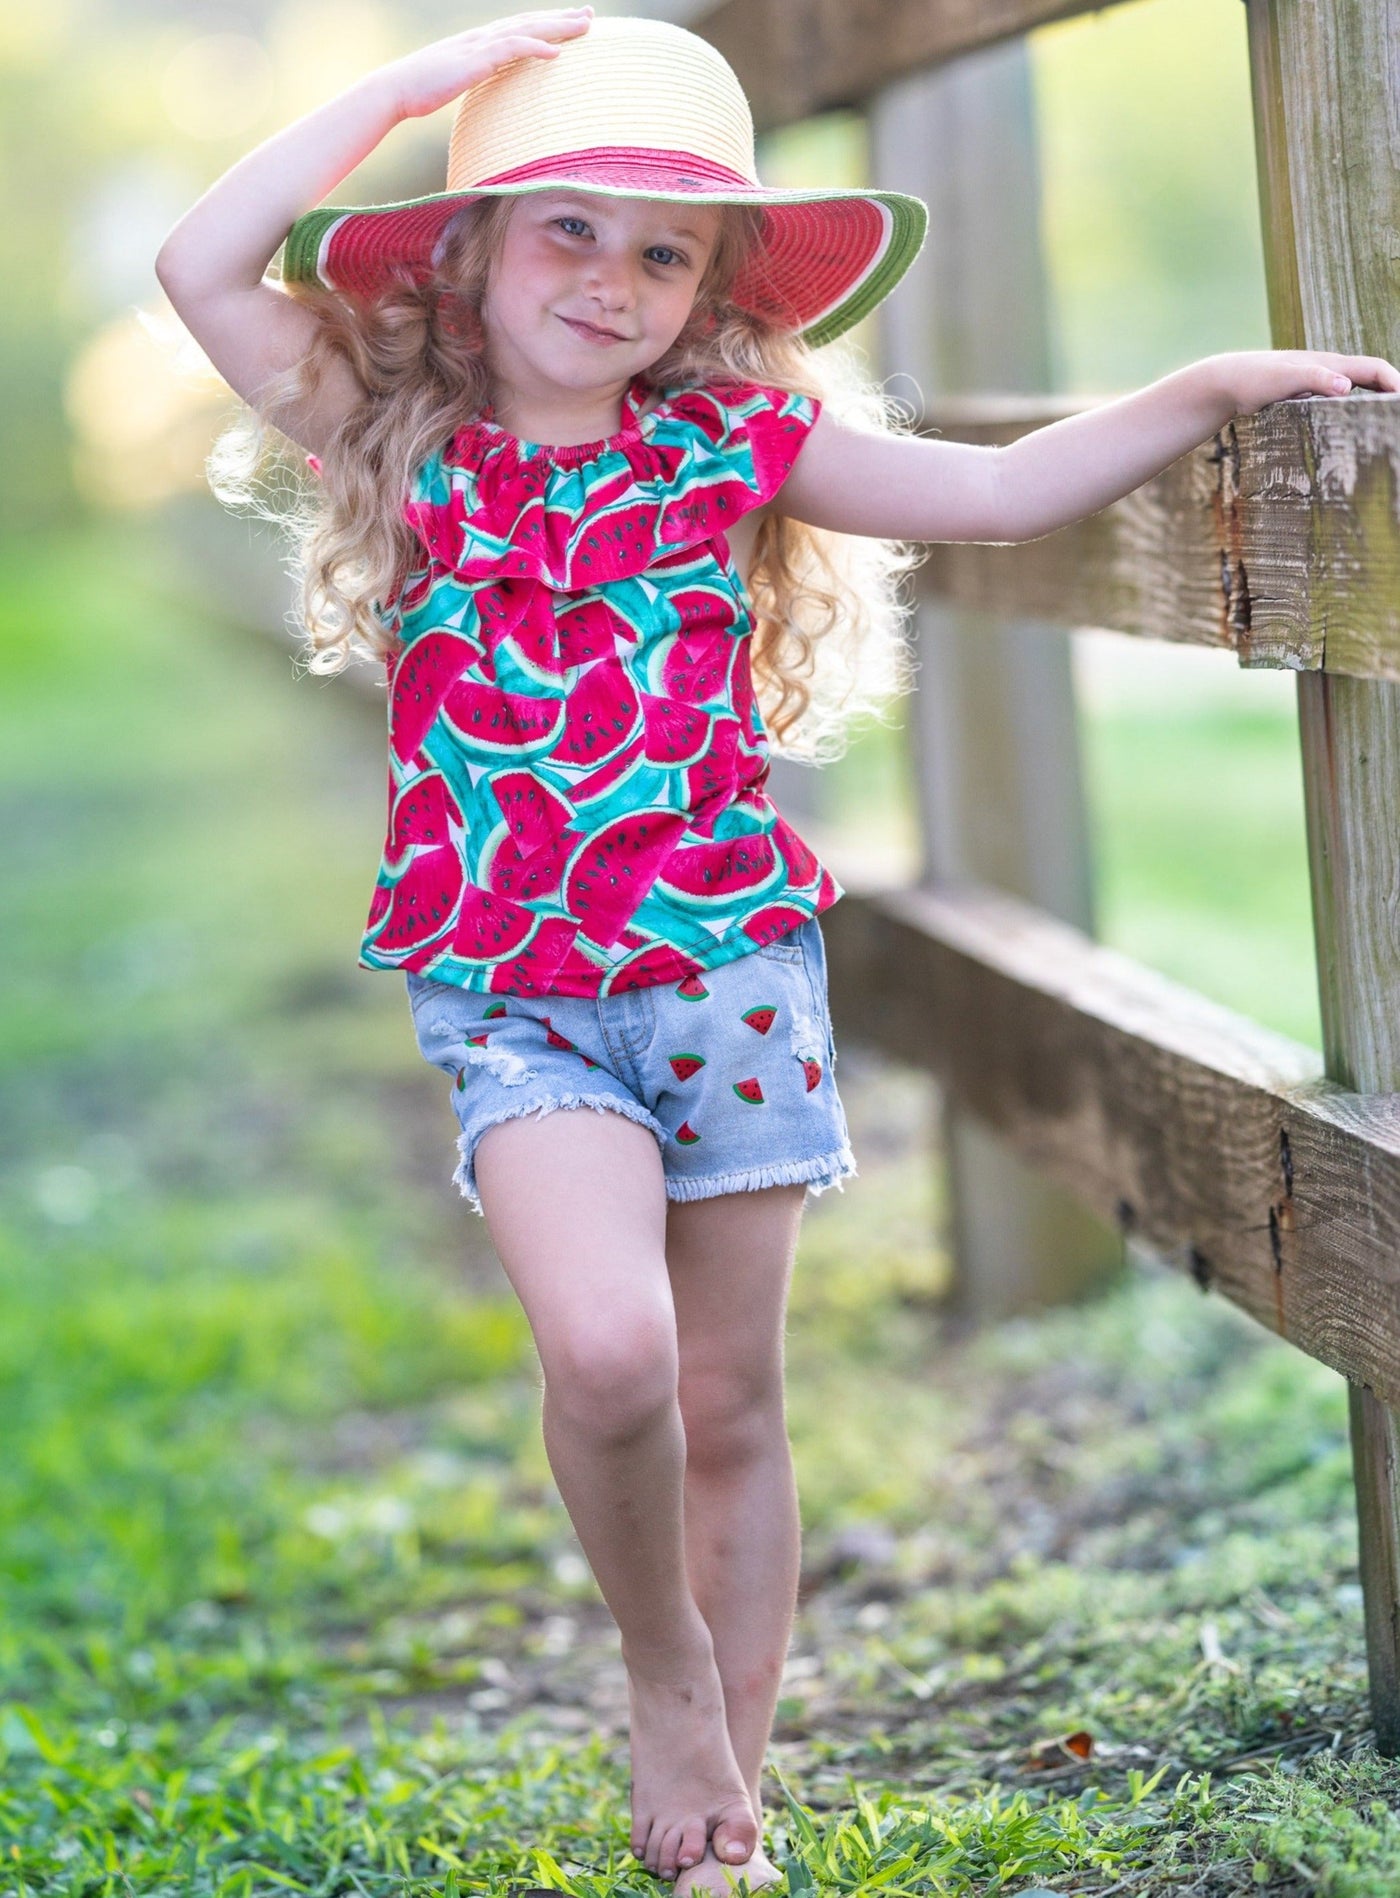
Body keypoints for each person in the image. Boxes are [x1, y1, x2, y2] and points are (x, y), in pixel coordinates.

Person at [154, 9, 1399, 1891]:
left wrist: (1208, 382)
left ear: (710, 292)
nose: (614, 279)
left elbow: (991, 495)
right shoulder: (403, 437)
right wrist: (417, 91)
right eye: (566, 228)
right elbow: (197, 262)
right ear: (472, 248)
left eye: (664, 252)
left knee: (732, 1390)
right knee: (613, 1349)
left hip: (731, 973)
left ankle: (726, 1812)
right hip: (519, 996)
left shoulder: (740, 443)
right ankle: (665, 1675)